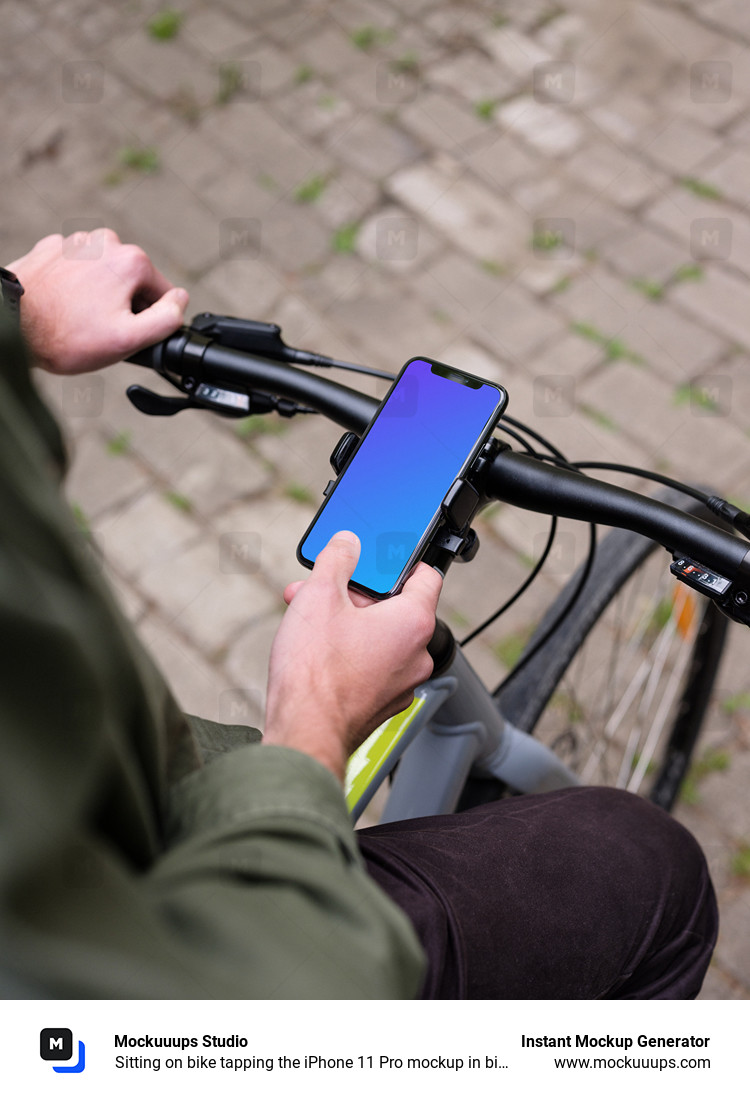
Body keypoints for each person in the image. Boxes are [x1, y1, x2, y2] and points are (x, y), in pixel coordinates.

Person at [0, 229, 718, 999]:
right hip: (203, 932)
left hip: (122, 790)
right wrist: (317, 715)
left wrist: (14, 311)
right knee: (649, 867)